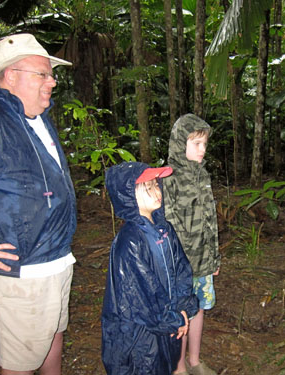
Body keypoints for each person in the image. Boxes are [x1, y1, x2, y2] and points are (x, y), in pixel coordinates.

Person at [0, 33, 77, 374]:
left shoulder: (37, 119)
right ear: (10, 75)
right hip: (19, 271)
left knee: (53, 334)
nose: (52, 81)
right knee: (21, 360)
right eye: (43, 73)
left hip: (53, 259)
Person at [101, 162, 199, 374]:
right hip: (140, 334)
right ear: (127, 196)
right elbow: (140, 298)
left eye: (156, 185)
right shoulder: (130, 242)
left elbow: (182, 270)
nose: (157, 192)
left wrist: (183, 308)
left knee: (165, 366)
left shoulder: (164, 229)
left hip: (166, 326)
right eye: (147, 189)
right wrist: (175, 319)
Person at [163, 114, 221, 375]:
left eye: (205, 144)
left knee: (199, 310)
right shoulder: (169, 178)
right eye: (196, 143)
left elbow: (211, 220)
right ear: (179, 143)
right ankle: (179, 368)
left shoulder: (203, 175)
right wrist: (178, 264)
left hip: (203, 263)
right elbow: (169, 226)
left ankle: (195, 360)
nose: (203, 150)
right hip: (180, 267)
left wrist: (214, 259)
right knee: (182, 315)